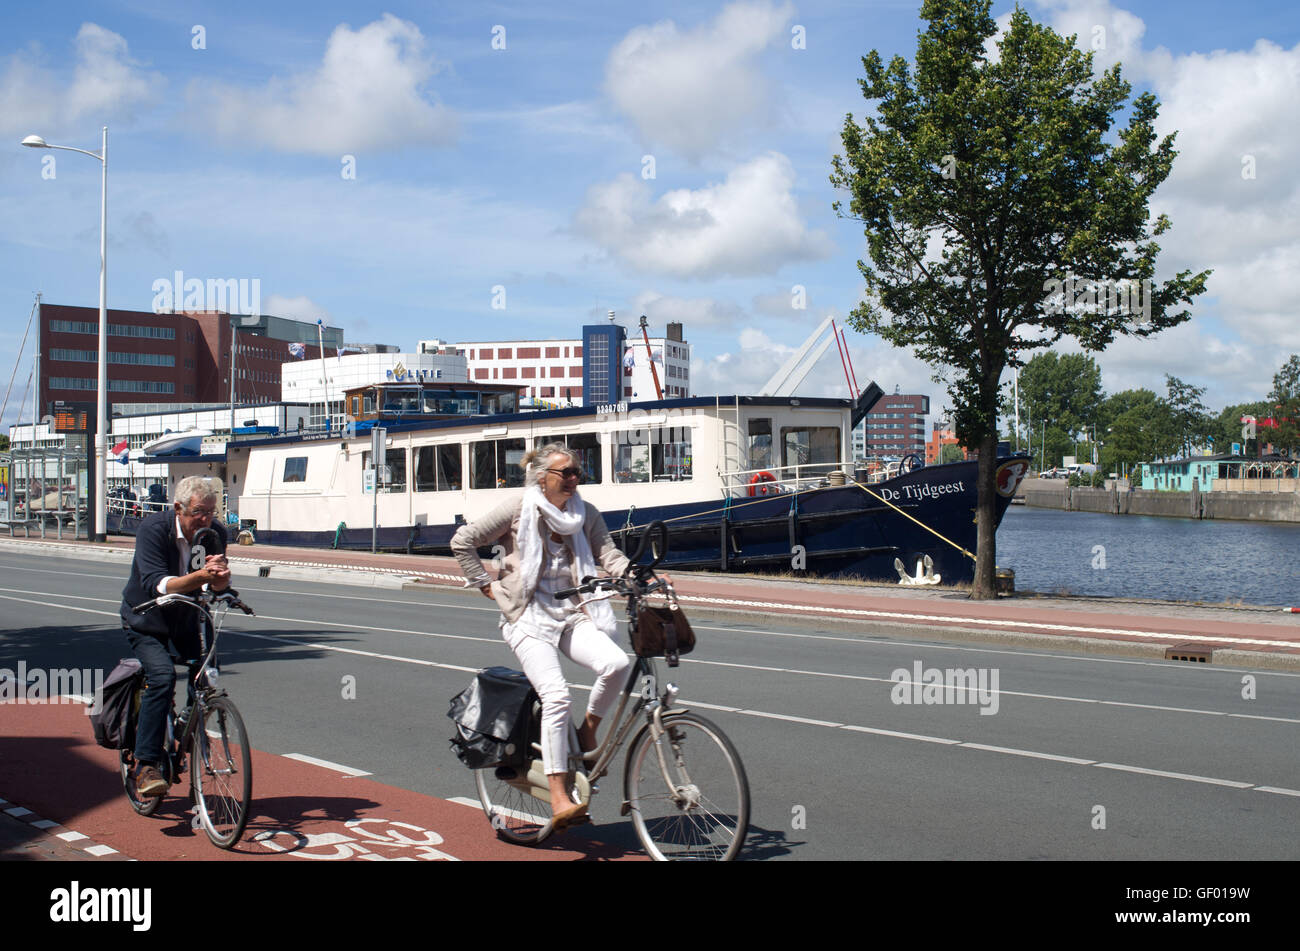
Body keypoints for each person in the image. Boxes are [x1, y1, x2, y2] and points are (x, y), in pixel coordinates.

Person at [452, 443, 630, 829]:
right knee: (557, 695)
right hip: (527, 619)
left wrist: (637, 577)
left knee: (617, 663)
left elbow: (608, 554)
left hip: (570, 613)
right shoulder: (519, 507)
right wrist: (486, 585)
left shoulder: (585, 513)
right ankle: (558, 795)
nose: (573, 478)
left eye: (576, 472)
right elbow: (464, 541)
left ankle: (586, 734)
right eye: (564, 472)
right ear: (541, 478)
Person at [119, 476, 230, 797]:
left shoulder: (214, 533)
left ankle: (190, 732)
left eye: (211, 512)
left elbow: (212, 585)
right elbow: (158, 583)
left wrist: (221, 578)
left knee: (206, 678)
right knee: (163, 677)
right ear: (178, 507)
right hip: (146, 618)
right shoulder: (154, 530)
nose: (205, 520)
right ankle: (146, 764)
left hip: (187, 618)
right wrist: (199, 576)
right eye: (199, 512)